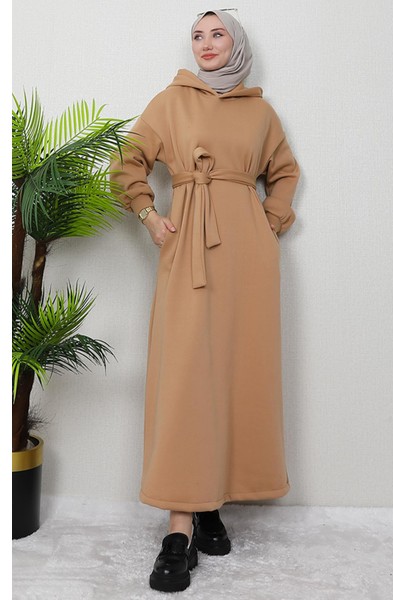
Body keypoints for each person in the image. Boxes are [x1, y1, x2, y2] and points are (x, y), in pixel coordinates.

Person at [110, 8, 301, 593]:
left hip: (248, 260)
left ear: (236, 43)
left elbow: (285, 173)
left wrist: (268, 223)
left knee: (235, 374)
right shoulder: (171, 101)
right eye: (198, 35)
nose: (206, 43)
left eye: (217, 34)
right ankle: (179, 525)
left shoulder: (261, 113)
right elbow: (126, 162)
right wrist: (149, 215)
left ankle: (210, 502)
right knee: (187, 377)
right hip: (187, 247)